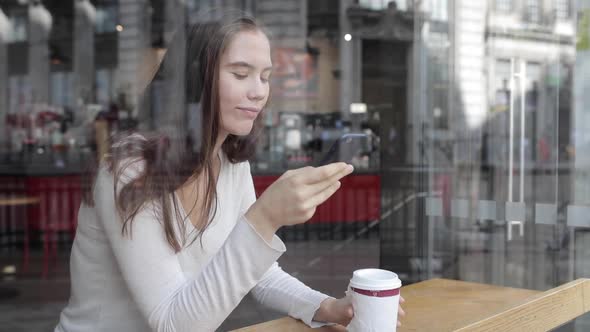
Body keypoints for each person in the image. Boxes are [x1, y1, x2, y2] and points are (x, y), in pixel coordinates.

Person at [55, 9, 404, 332]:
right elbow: (173, 323)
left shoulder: (229, 164)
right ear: (194, 81)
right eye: (241, 73)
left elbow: (261, 275)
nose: (258, 92)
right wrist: (264, 218)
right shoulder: (130, 168)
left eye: (265, 77)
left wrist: (327, 307)